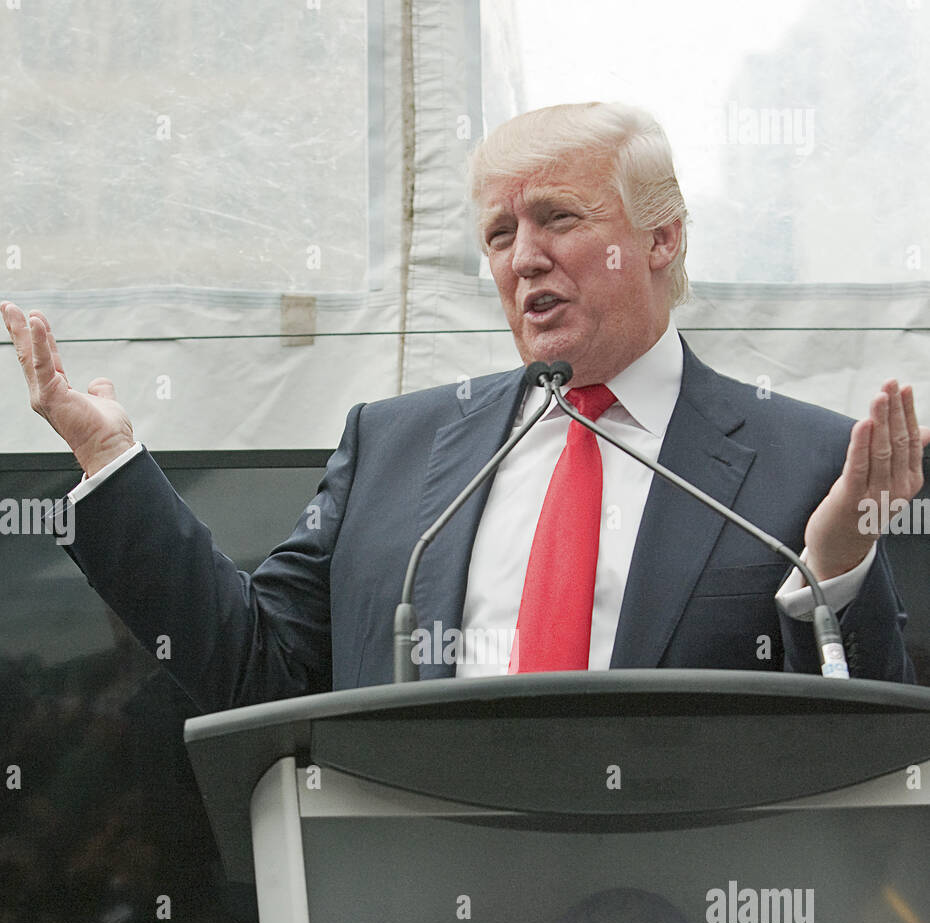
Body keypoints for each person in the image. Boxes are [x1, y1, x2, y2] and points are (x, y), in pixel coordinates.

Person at [3, 102, 927, 709]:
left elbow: (873, 757)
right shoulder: (395, 449)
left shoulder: (806, 461)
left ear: (662, 236)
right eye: (498, 234)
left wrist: (838, 566)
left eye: (558, 218)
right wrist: (113, 468)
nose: (523, 257)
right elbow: (258, 672)